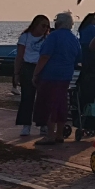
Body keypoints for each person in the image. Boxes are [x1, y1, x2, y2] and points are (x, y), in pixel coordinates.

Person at [33, 12, 81, 145]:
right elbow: (78, 57)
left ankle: (50, 135)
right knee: (61, 104)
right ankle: (59, 134)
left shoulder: (53, 37)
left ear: (58, 23)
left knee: (49, 104)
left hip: (50, 75)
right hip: (66, 75)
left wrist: (36, 73)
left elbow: (45, 56)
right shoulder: (73, 38)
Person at [14, 15, 49, 137]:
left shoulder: (47, 38)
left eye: (47, 26)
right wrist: (16, 73)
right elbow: (19, 56)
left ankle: (43, 124)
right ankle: (26, 125)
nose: (45, 28)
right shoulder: (25, 37)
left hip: (42, 68)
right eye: (42, 25)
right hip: (28, 67)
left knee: (43, 98)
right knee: (27, 97)